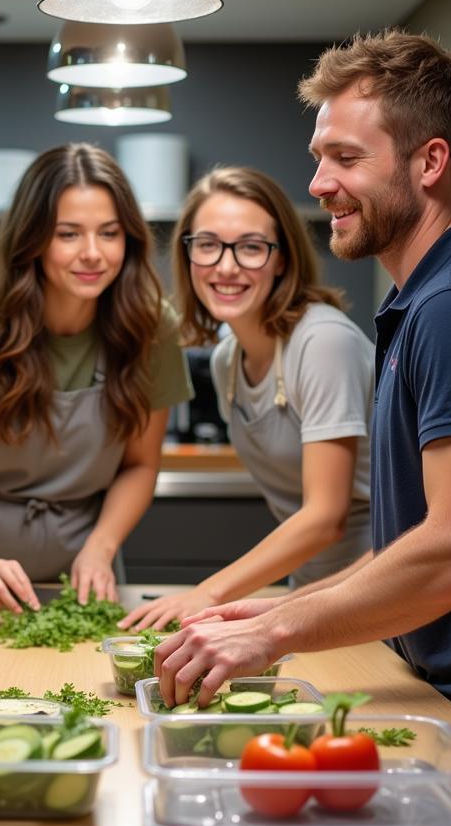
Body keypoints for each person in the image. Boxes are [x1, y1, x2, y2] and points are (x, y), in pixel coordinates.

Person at [153, 30, 451, 734]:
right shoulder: (423, 303)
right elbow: (411, 541)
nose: (317, 184)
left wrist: (276, 632)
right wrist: (281, 610)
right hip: (428, 687)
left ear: (431, 161)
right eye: (318, 158)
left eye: (345, 157)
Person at [0, 143, 192, 611]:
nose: (93, 254)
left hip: (87, 566)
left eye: (110, 233)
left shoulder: (152, 326)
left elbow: (141, 464)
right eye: (69, 234)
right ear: (33, 237)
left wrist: (101, 549)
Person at [120, 167, 374, 632]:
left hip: (374, 592)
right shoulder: (226, 360)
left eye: (251, 247)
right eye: (208, 244)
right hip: (312, 591)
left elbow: (325, 517)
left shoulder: (323, 341)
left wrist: (208, 592)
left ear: (282, 259)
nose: (227, 266)